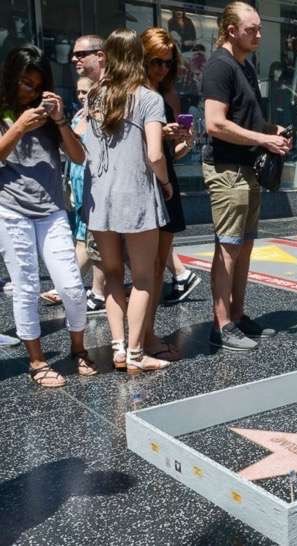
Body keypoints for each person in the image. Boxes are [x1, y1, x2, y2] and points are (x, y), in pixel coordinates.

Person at [0, 46, 95, 387]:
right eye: (25, 83)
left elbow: (78, 157)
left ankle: (78, 350)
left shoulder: (48, 115)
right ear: (11, 77)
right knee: (25, 287)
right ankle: (37, 361)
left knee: (71, 286)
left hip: (52, 209)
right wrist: (18, 128)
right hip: (10, 209)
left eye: (37, 86)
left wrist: (59, 120)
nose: (31, 92)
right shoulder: (5, 111)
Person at [81, 28, 172, 373]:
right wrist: (165, 183)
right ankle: (136, 355)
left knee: (113, 275)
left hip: (101, 198)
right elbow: (154, 153)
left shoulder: (94, 96)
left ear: (107, 57)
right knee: (145, 278)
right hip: (135, 196)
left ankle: (119, 348)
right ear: (139, 57)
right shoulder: (148, 98)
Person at [202, 2, 290, 351]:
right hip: (227, 170)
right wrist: (263, 138)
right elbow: (215, 123)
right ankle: (220, 324)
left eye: (259, 28)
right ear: (230, 30)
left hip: (246, 170)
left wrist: (272, 130)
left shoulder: (245, 65)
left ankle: (237, 315)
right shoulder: (219, 66)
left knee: (243, 247)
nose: (258, 34)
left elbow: (246, 120)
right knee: (228, 248)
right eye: (251, 29)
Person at [141, 27, 195, 361]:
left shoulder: (163, 95)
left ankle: (146, 333)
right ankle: (142, 337)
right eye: (156, 62)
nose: (162, 69)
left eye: (168, 63)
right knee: (143, 269)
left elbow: (168, 152)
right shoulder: (135, 94)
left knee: (158, 266)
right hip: (145, 185)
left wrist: (184, 143)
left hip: (165, 180)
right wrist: (160, 133)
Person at [71, 35, 107, 314]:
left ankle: (98, 292)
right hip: (92, 185)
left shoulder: (112, 92)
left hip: (108, 188)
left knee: (102, 248)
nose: (75, 59)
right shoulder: (94, 95)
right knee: (97, 246)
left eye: (81, 54)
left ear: (101, 55)